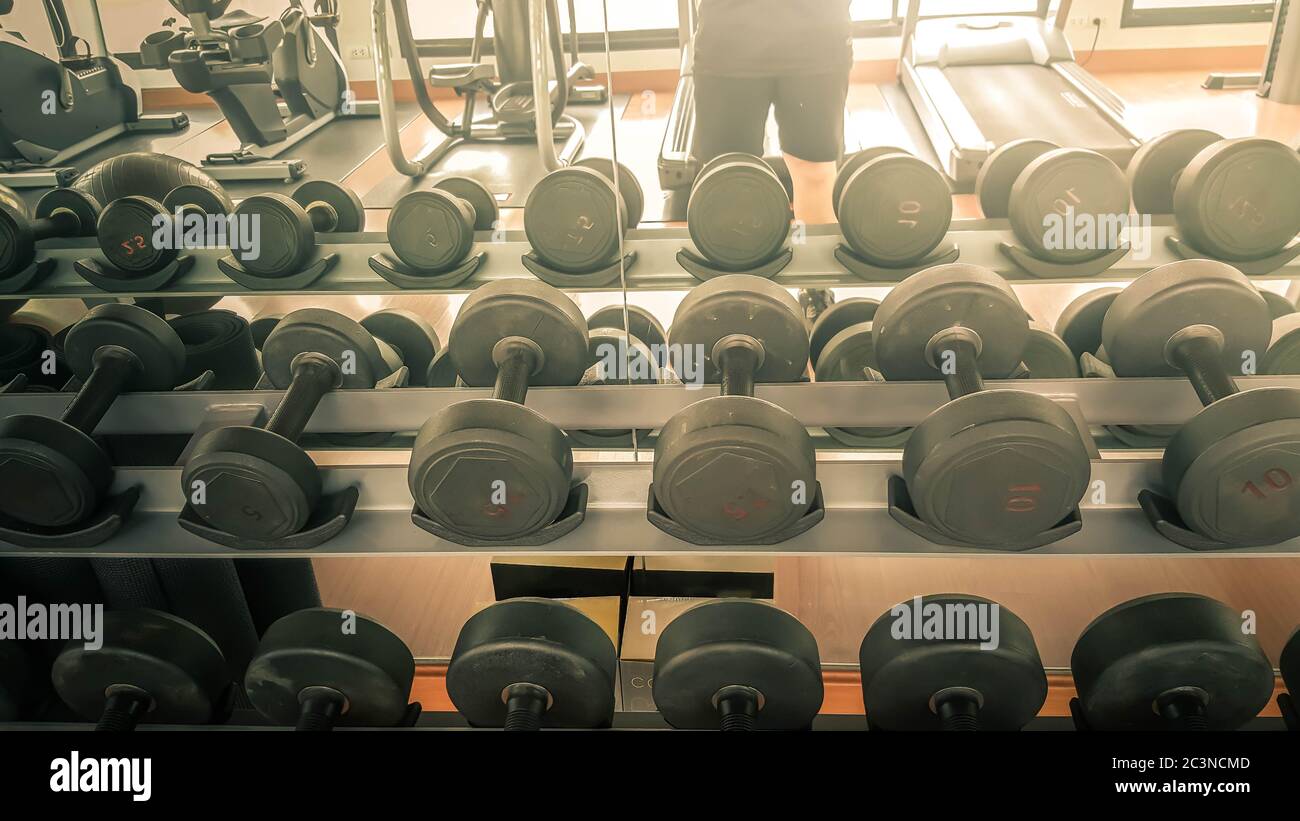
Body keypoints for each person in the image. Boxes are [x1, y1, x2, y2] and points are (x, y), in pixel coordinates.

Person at [692, 0, 853, 225]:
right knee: (728, 175)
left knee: (814, 171)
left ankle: (812, 257)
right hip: (728, 39)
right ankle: (738, 255)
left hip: (817, 38)